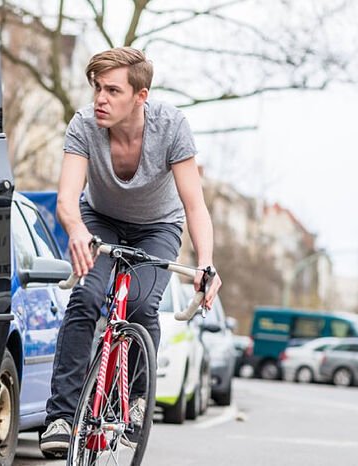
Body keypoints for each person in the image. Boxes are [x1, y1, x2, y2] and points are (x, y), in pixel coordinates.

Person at [39, 47, 223, 456]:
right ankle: (61, 417)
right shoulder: (84, 126)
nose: (99, 99)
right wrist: (76, 231)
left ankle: (139, 397)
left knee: (140, 303)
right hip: (99, 219)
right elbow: (67, 198)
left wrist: (206, 264)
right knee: (86, 297)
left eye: (112, 90)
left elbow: (195, 206)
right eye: (96, 88)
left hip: (158, 226)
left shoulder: (171, 127)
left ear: (140, 96)